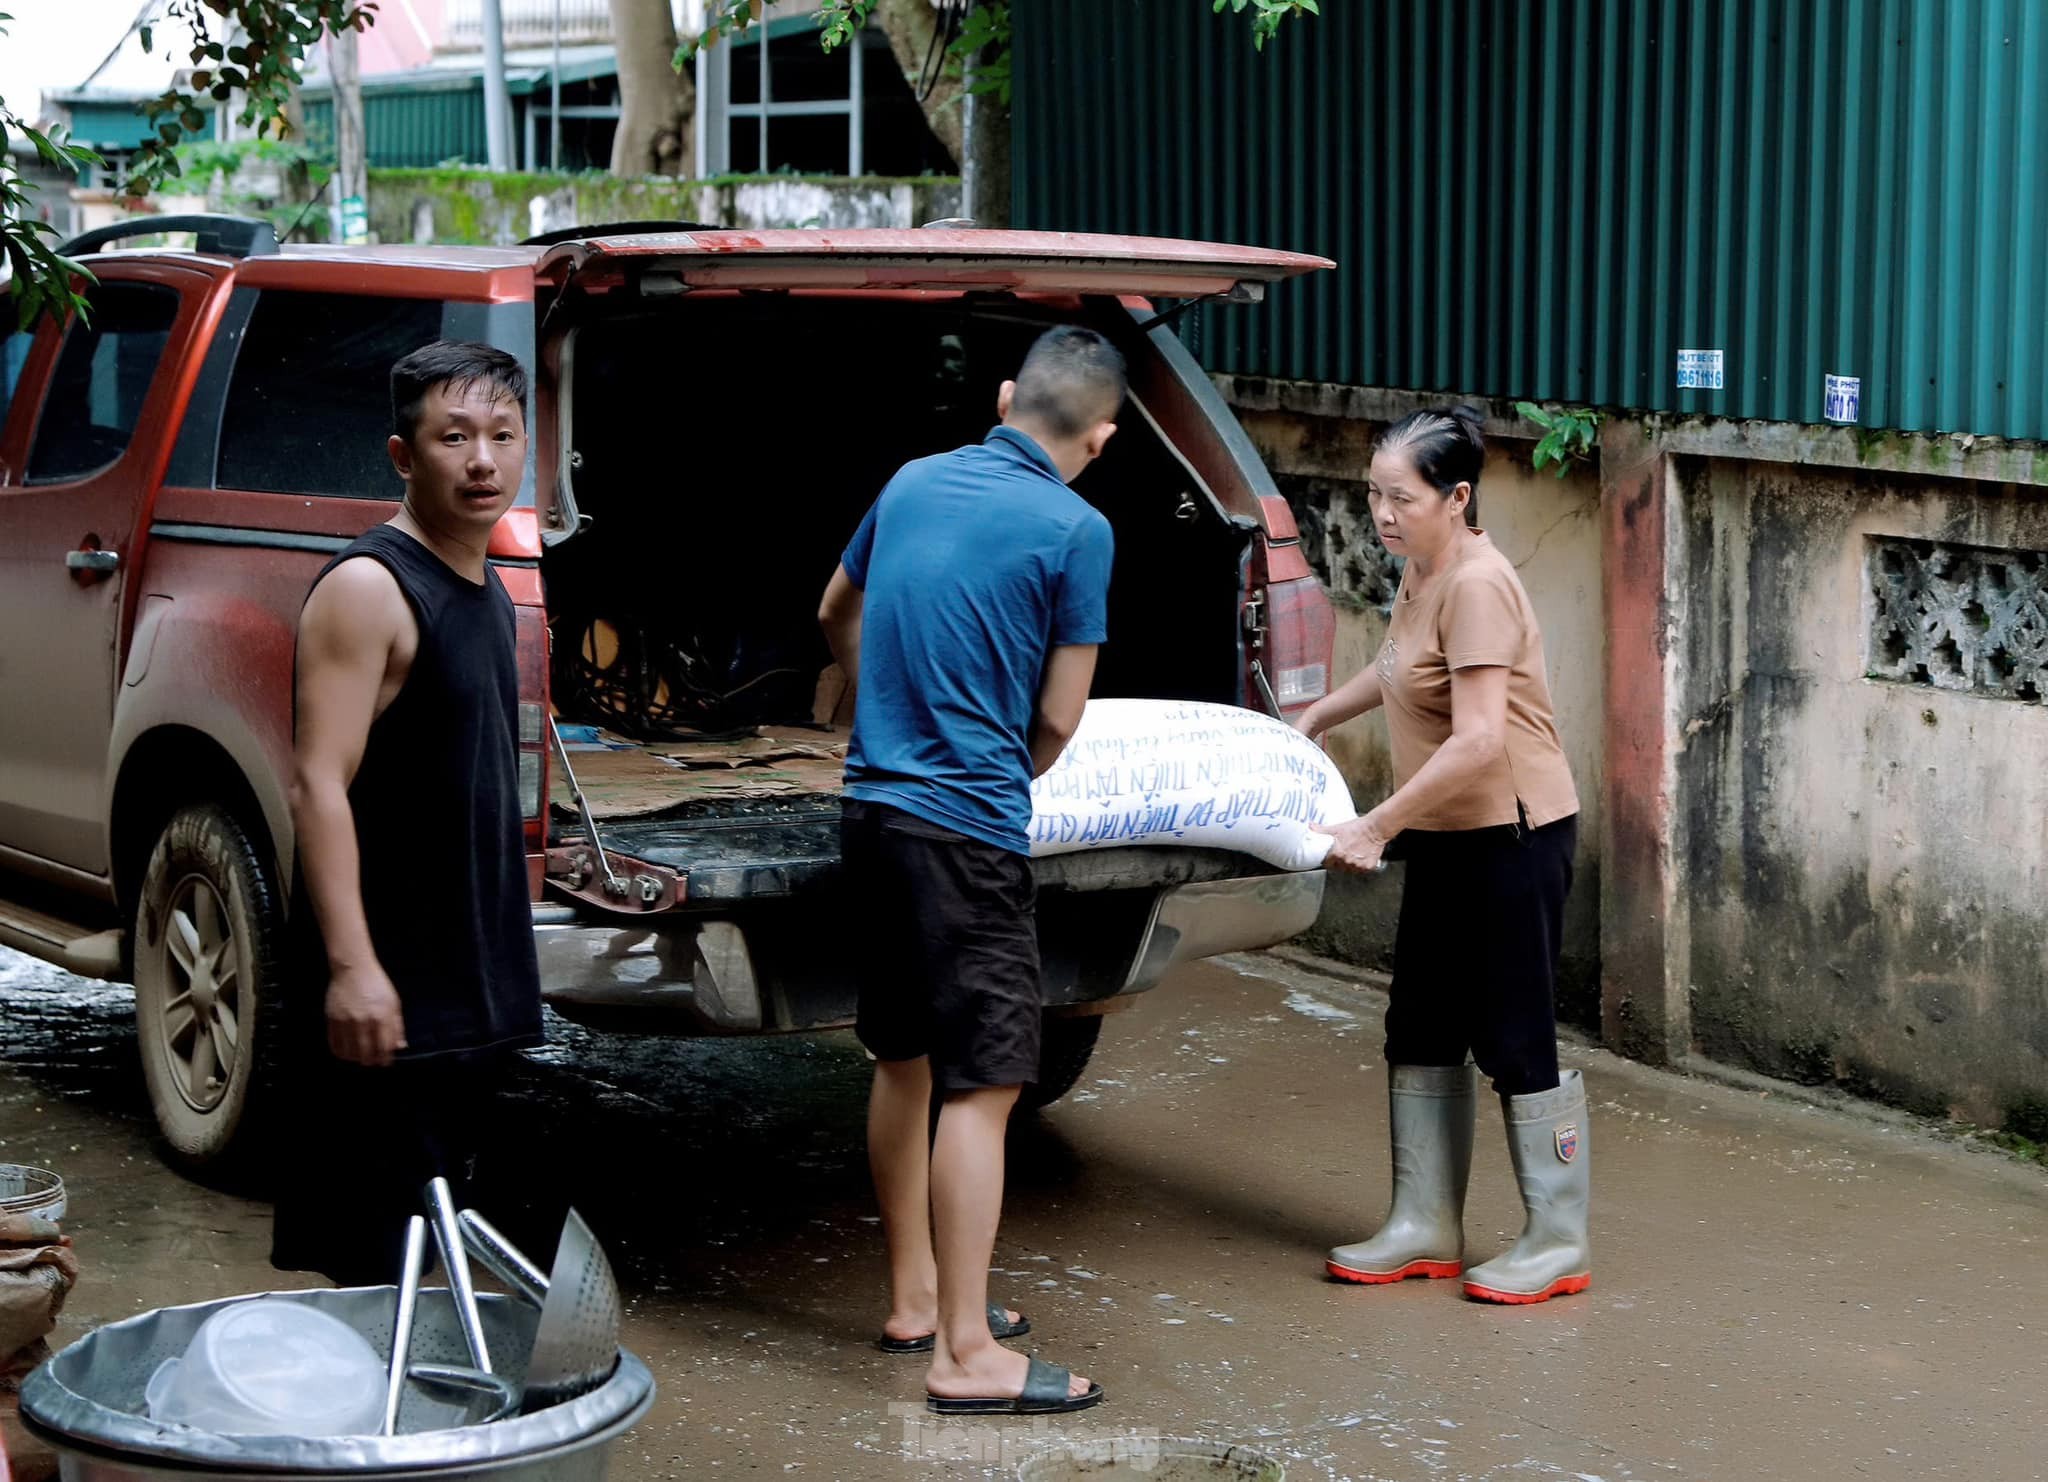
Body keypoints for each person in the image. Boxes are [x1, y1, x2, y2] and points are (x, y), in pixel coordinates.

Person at [817, 325, 1120, 1415]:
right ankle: (963, 1353)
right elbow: (1057, 714)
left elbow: (833, 613)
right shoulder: (1076, 528)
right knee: (986, 1084)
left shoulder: (907, 481)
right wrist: (1000, 769)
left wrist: (881, 699)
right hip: (967, 832)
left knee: (900, 1060)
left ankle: (915, 1299)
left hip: (871, 813)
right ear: (1098, 436)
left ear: (1003, 399)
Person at [1298, 406, 1589, 1305]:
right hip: (1447, 834)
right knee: (1420, 1021)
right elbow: (1392, 668)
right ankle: (1425, 1224)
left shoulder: (1477, 584)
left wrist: (1374, 825)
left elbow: (1475, 742)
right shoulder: (1422, 572)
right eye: (1373, 495)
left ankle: (1557, 1239)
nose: (1382, 513)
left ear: (1456, 497)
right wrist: (1309, 719)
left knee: (1513, 1033)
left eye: (1400, 497)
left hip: (1512, 834)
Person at [271, 342, 544, 1287]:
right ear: (401, 455)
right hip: (390, 991)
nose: (481, 460)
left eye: (502, 436)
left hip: (464, 987)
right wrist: (351, 969)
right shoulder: (369, 590)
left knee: (447, 1258)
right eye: (453, 437)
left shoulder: (487, 586)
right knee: (381, 1269)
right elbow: (316, 782)